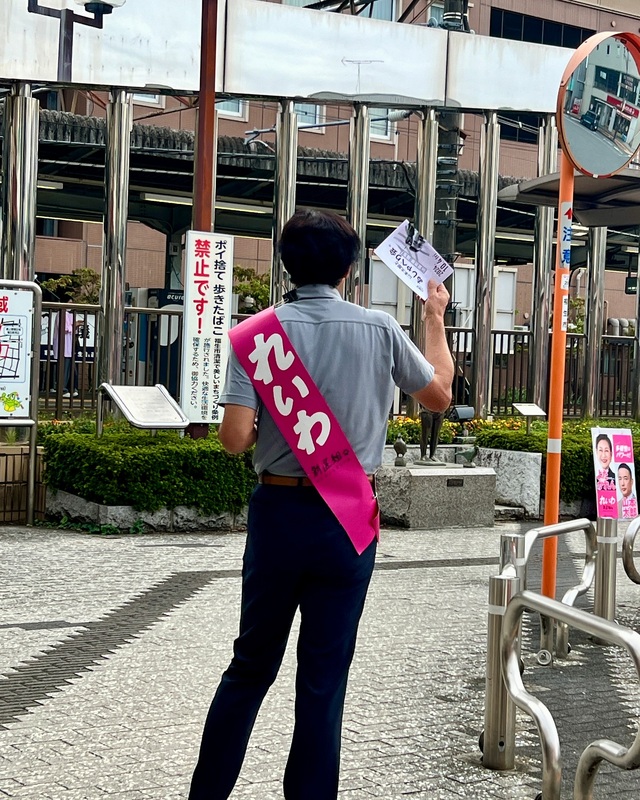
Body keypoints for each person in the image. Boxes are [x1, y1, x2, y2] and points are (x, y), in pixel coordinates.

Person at [188, 209, 454, 800]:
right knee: (323, 679)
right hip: (347, 520)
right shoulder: (380, 329)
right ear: (348, 269)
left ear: (287, 264)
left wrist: (277, 428)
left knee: (250, 667)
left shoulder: (257, 334)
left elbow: (233, 438)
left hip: (279, 517)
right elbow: (438, 395)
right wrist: (434, 318)